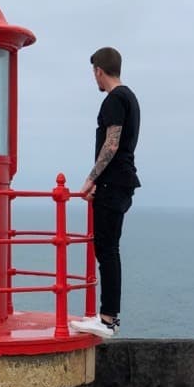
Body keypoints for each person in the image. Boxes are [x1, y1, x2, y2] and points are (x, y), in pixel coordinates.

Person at [72, 47, 140, 338]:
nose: (94, 79)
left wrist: (90, 179)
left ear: (99, 70)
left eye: (94, 73)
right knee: (110, 249)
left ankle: (107, 318)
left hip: (114, 183)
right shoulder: (131, 98)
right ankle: (109, 316)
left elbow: (111, 146)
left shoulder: (113, 100)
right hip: (121, 182)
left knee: (107, 250)